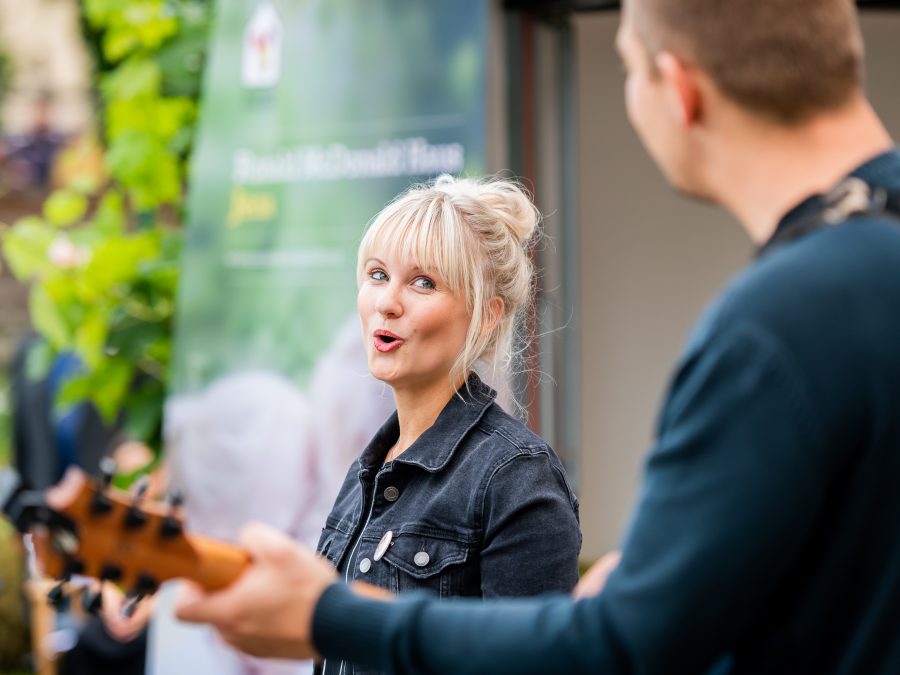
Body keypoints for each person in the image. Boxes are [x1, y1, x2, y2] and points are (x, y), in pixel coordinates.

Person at [175, 0, 900, 672]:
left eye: (627, 67)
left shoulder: (772, 329)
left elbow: (619, 645)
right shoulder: (840, 288)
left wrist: (333, 616)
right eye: (375, 274)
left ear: (677, 91)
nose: (387, 302)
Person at [321, 175, 581, 673]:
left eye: (424, 282)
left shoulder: (516, 477)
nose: (387, 302)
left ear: (486, 315)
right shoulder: (367, 472)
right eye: (377, 274)